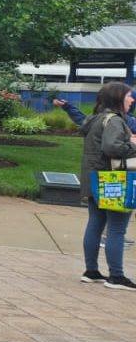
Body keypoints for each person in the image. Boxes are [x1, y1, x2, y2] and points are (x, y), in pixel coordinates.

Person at [72, 82, 136, 289]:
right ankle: (116, 276)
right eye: (128, 96)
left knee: (95, 224)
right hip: (113, 180)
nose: (132, 99)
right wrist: (132, 145)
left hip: (95, 178)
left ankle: (91, 271)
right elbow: (111, 147)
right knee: (117, 228)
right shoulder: (114, 120)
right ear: (118, 98)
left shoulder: (95, 118)